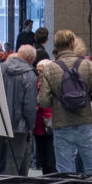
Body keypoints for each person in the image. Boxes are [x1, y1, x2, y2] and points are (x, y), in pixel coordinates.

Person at [45, 28, 92, 174]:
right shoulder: (87, 65)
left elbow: (44, 101)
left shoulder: (50, 68)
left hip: (61, 124)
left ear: (56, 46)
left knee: (65, 170)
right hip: (84, 122)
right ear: (72, 43)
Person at [0, 42, 38, 175]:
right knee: (16, 160)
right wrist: (30, 125)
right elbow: (29, 105)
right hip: (20, 125)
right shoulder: (30, 74)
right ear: (30, 59)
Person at [26, 44, 55, 174]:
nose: (39, 73)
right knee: (42, 156)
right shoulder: (35, 84)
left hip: (50, 125)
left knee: (51, 157)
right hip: (38, 126)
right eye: (37, 71)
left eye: (41, 71)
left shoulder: (54, 85)